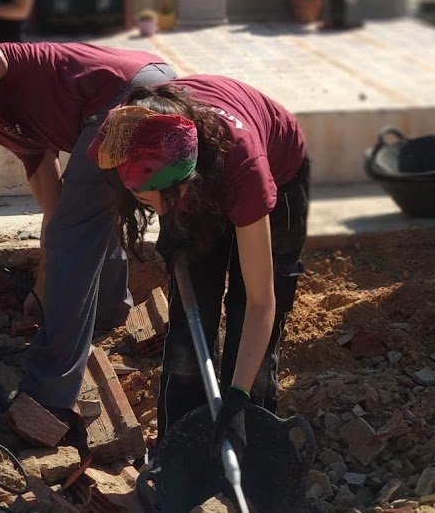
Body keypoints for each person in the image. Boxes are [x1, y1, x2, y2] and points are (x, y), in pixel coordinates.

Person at [0, 43, 176, 429]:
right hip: (140, 89)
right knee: (84, 217)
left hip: (127, 94)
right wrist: (42, 290)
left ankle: (47, 393)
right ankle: (107, 314)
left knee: (76, 234)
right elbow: (59, 216)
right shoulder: (14, 132)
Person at [91, 76, 309, 456]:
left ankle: (249, 436)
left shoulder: (247, 171)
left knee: (246, 310)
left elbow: (262, 302)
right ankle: (180, 445)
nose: (159, 211)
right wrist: (170, 216)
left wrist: (238, 394)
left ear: (189, 179)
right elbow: (158, 190)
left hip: (278, 171)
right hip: (193, 177)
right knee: (192, 308)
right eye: (146, 201)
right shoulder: (122, 137)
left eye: (166, 199)